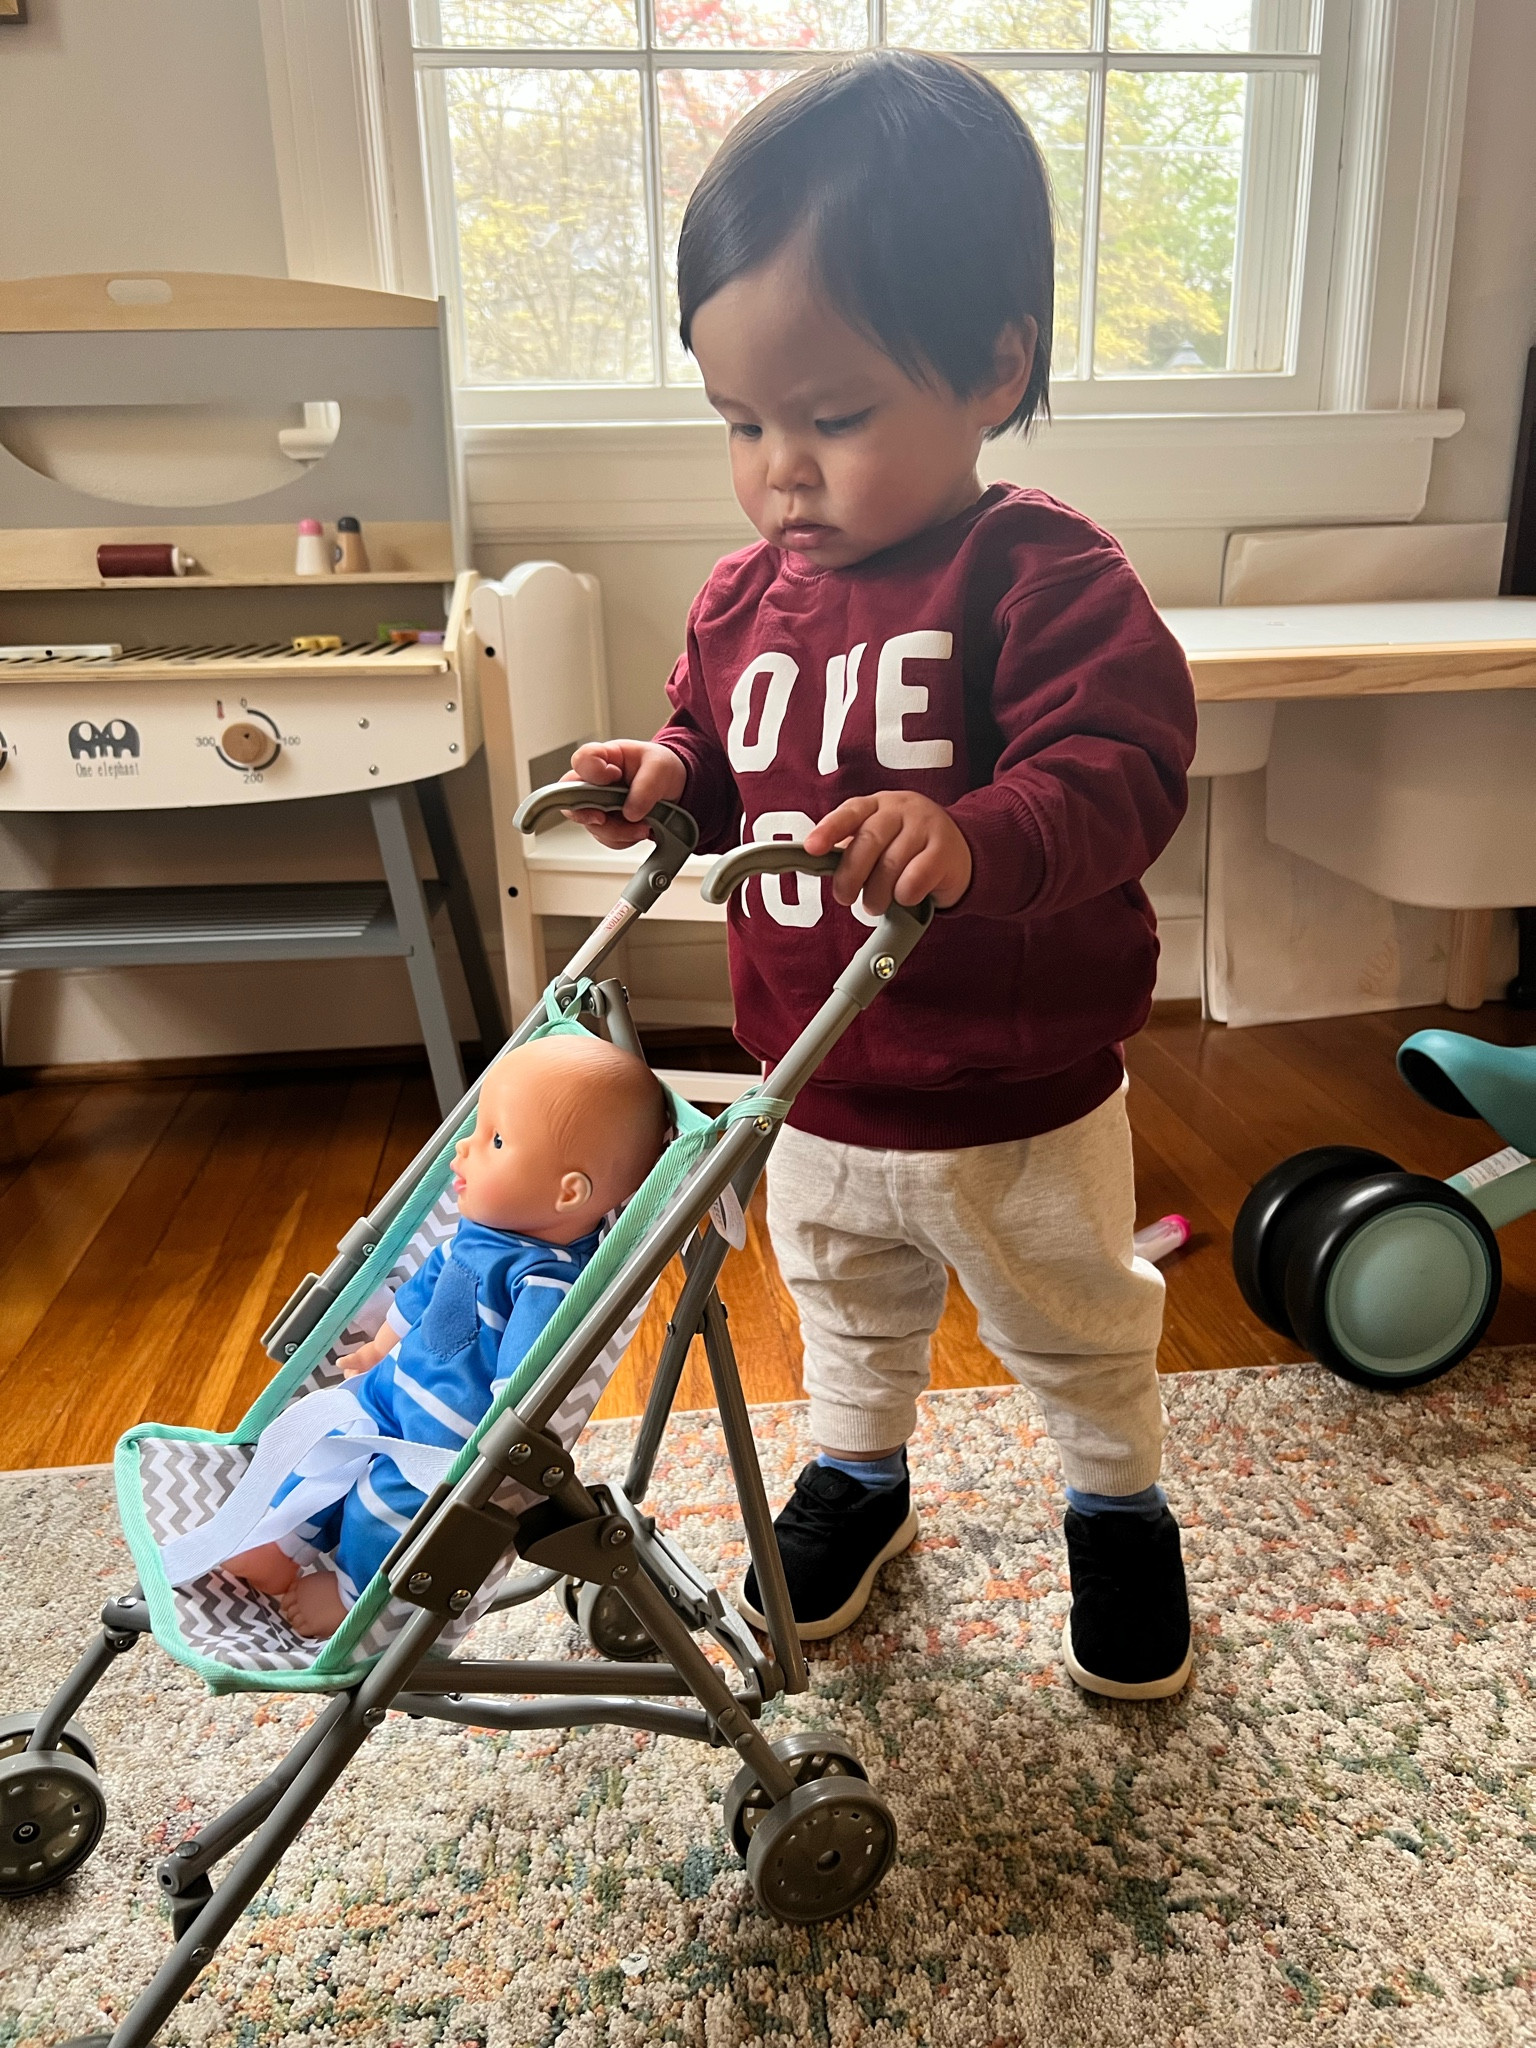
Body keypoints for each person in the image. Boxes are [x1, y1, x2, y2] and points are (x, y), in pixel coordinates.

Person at [566, 51, 1199, 1699]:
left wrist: (982, 834)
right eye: (739, 422)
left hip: (1016, 1087)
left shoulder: (1036, 575)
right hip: (814, 1072)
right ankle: (858, 1473)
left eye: (833, 416)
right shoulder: (738, 599)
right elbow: (717, 753)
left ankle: (1115, 1500)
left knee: (1070, 1308)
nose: (780, 466)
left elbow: (1120, 772)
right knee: (845, 1301)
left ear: (995, 366)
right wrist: (662, 785)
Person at [160, 1036, 669, 1639]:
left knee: (388, 1511)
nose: (464, 1149)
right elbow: (425, 1293)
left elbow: (525, 1379)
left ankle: (349, 1596)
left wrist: (501, 1438)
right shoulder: (478, 1232)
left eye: (496, 1141)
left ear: (569, 1193)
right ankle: (279, 1541)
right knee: (325, 1445)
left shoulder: (545, 1280)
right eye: (479, 1131)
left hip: (443, 1438)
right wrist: (382, 1347)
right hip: (392, 1386)